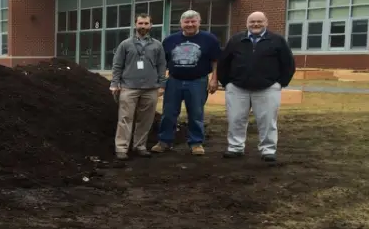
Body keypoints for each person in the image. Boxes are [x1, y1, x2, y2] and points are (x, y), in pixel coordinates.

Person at [216, 11, 296, 163]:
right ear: (247, 24)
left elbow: (288, 64)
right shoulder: (236, 40)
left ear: (266, 23)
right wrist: (227, 83)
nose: (256, 24)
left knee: (267, 120)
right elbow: (223, 62)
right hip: (238, 88)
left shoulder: (277, 40)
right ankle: (235, 147)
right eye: (252, 22)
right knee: (236, 119)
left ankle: (268, 150)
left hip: (267, 88)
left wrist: (280, 83)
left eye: (259, 21)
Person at [153, 10, 221, 156]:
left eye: (193, 21)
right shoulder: (170, 40)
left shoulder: (209, 39)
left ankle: (195, 142)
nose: (190, 24)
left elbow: (215, 60)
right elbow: (163, 63)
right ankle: (164, 141)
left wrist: (214, 79)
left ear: (199, 22)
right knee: (169, 113)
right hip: (174, 81)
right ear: (181, 23)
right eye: (186, 22)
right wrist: (161, 82)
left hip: (198, 81)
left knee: (196, 113)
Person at [110, 14, 167, 160]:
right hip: (129, 87)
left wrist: (162, 84)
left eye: (146, 23)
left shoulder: (157, 45)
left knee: (146, 119)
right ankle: (121, 148)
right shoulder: (125, 44)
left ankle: (140, 146)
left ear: (150, 25)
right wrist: (114, 83)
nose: (143, 26)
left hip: (150, 87)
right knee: (125, 118)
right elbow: (117, 65)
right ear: (135, 24)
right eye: (140, 23)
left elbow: (162, 65)